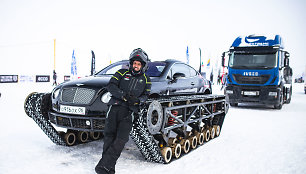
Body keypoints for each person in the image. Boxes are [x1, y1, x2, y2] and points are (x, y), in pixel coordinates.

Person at [95, 48, 151, 174]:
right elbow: (111, 86)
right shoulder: (121, 73)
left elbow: (146, 95)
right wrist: (123, 95)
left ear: (142, 66)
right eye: (134, 63)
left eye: (138, 64)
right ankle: (109, 169)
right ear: (131, 64)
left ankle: (102, 166)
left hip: (129, 112)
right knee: (109, 137)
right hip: (114, 108)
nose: (136, 66)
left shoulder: (146, 79)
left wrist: (138, 101)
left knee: (121, 139)